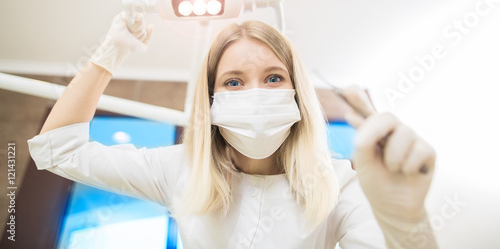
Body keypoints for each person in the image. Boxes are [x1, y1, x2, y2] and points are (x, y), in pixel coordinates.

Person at [28, 12, 439, 248]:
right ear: (211, 102)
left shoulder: (341, 184)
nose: (256, 93)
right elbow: (57, 149)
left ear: (299, 94)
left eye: (275, 78)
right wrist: (110, 53)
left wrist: (405, 219)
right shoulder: (178, 170)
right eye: (234, 82)